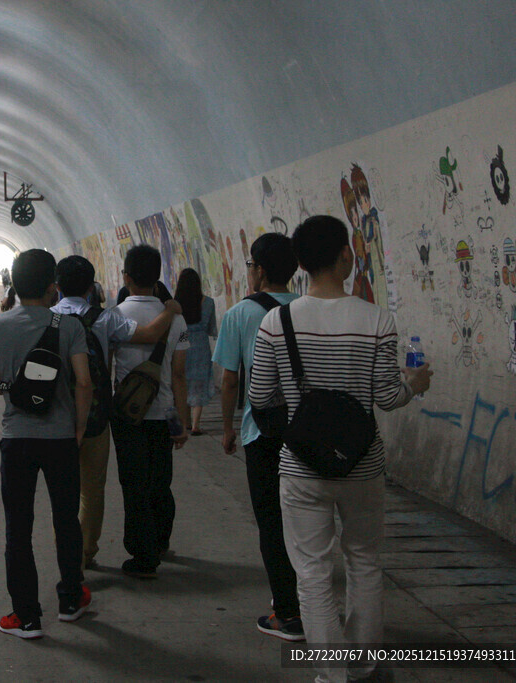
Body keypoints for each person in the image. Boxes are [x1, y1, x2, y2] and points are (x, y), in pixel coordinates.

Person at [249, 215, 432, 683]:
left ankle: (331, 675)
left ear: (300, 264)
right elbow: (387, 398)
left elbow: (259, 396)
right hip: (362, 464)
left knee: (311, 571)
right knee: (364, 561)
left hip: (302, 467)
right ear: (346, 256)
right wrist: (415, 384)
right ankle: (365, 667)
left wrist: (298, 403)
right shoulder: (377, 320)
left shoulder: (276, 321)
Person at [0, 248, 93, 639]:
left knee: (18, 528)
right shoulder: (70, 326)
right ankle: (71, 600)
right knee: (66, 520)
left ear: (13, 283)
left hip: (16, 439)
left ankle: (25, 616)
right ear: (52, 286)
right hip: (60, 438)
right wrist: (79, 427)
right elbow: (83, 382)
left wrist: (18, 389)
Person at [53, 255, 183, 571]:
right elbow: (150, 336)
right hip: (95, 415)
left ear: (56, 286)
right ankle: (85, 551)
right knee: (92, 490)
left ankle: (66, 554)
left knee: (61, 491)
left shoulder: (48, 318)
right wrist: (170, 310)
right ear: (91, 287)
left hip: (54, 416)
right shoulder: (104, 319)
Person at [212, 232, 304, 641]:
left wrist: (228, 428)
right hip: (307, 432)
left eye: (250, 265)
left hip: (261, 431)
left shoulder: (240, 314)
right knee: (305, 521)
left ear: (260, 270)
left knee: (271, 521)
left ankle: (287, 613)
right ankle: (308, 599)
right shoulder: (308, 309)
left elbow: (230, 380)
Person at [111, 245, 190, 579]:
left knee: (134, 483)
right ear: (158, 278)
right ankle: (160, 541)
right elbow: (179, 375)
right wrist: (183, 421)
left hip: (127, 415)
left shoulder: (114, 315)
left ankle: (142, 556)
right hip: (162, 412)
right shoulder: (176, 317)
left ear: (126, 277)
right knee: (160, 481)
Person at [174, 268, 218, 435]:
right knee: (199, 382)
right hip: (201, 344)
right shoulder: (209, 302)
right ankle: (196, 424)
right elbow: (211, 328)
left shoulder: (176, 305)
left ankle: (185, 422)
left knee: (182, 379)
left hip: (181, 343)